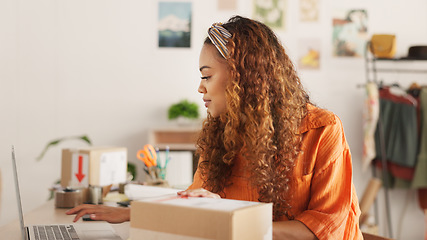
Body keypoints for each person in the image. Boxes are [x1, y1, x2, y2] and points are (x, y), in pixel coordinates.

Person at [66, 15, 363, 240]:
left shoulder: (322, 129)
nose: (200, 87)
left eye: (207, 76)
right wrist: (131, 213)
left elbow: (325, 228)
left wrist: (230, 217)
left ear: (243, 77)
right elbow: (195, 202)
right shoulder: (220, 133)